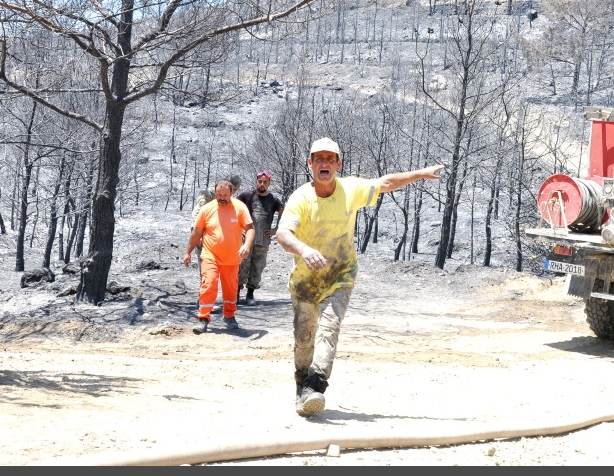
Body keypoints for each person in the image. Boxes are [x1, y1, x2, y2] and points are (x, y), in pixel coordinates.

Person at [274, 137, 442, 417]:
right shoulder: (301, 197)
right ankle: (301, 386)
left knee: (329, 328)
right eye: (319, 158)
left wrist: (420, 174)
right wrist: (304, 249)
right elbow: (283, 234)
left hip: (340, 275)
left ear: (339, 164)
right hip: (305, 282)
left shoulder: (350, 189)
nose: (324, 163)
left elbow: (386, 183)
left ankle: (315, 386)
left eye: (330, 158)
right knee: (304, 340)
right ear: (310, 164)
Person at [184, 177, 254, 334]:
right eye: (219, 195)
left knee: (230, 290)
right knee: (208, 284)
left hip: (232, 258)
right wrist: (187, 252)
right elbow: (196, 233)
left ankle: (229, 316)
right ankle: (203, 318)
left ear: (231, 192)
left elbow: (250, 228)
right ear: (215, 193)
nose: (222, 198)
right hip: (210, 254)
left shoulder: (240, 207)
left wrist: (246, 245)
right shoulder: (207, 209)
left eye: (225, 195)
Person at [237, 171, 285, 304]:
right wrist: (239, 227)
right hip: (245, 239)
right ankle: (235, 294)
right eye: (260, 181)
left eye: (265, 182)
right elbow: (234, 208)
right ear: (256, 181)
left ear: (269, 183)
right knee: (241, 266)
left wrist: (276, 229)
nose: (262, 184)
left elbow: (285, 213)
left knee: (257, 267)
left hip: (263, 240)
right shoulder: (247, 195)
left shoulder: (273, 199)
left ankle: (250, 295)